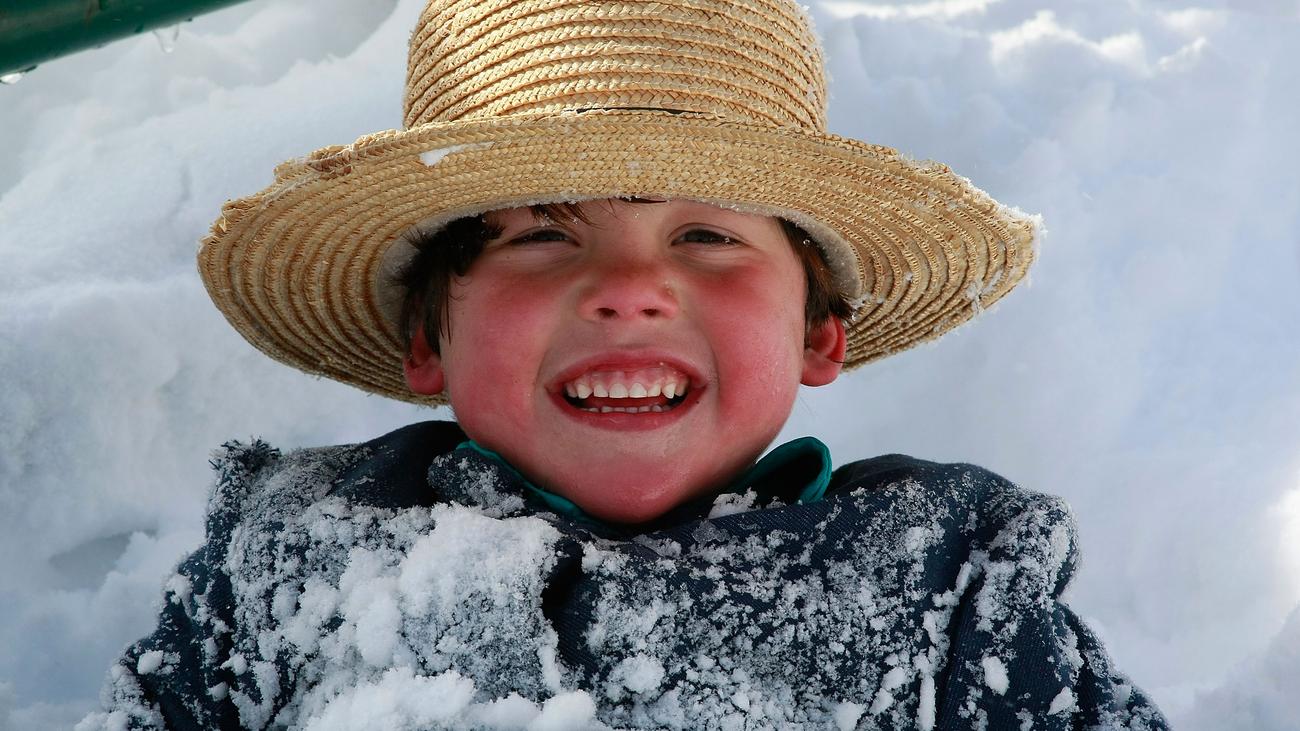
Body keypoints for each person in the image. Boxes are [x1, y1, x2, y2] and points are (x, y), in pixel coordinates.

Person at [81, 0, 1168, 729]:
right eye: (543, 234)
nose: (629, 288)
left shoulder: (950, 580)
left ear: (814, 332)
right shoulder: (302, 547)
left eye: (708, 237)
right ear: (428, 339)